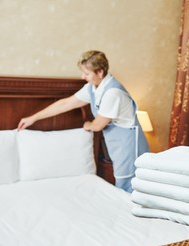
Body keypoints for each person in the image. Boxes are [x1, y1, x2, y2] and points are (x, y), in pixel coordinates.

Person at [17, 50, 149, 192]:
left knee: (129, 186)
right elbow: (66, 103)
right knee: (124, 184)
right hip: (117, 144)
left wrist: (88, 125)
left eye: (86, 74)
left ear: (99, 72)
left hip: (129, 145)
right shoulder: (93, 87)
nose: (82, 77)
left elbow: (98, 125)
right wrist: (33, 118)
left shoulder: (113, 93)